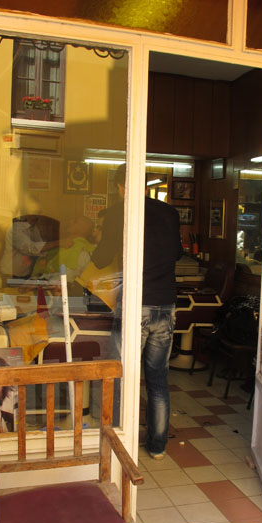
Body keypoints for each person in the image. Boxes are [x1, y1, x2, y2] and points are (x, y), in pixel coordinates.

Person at [91, 166, 183, 459]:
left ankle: (122, 443)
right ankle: (157, 446)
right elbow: (177, 253)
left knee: (121, 376)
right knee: (158, 379)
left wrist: (95, 243)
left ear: (120, 186)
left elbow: (101, 257)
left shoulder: (118, 213)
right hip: (165, 305)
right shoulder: (169, 212)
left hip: (135, 306)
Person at [0, 215, 61, 279]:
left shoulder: (34, 228)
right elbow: (31, 248)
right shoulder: (15, 229)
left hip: (27, 274)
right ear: (27, 215)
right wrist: (58, 243)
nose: (38, 217)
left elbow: (41, 249)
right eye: (36, 214)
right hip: (10, 275)